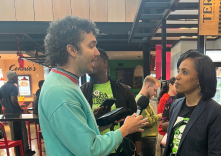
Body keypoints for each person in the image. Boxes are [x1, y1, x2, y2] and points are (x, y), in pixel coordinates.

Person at [39, 16, 149, 156]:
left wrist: (101, 122)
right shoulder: (62, 93)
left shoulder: (64, 83)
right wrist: (125, 130)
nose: (96, 52)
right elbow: (90, 149)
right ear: (72, 50)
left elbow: (76, 138)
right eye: (91, 46)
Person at [163, 50, 221, 156]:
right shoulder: (175, 105)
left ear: (200, 79)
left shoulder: (215, 112)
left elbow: (215, 152)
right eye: (178, 71)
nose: (177, 77)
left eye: (185, 72)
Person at [80, 48, 142, 156]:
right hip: (94, 150)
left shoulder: (124, 90)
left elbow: (135, 123)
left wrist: (138, 152)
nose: (90, 63)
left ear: (105, 63)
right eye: (87, 60)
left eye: (93, 59)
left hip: (121, 150)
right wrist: (95, 118)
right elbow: (79, 126)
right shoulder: (81, 92)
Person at [0, 71, 35, 155]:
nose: (17, 79)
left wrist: (5, 106)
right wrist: (20, 109)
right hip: (16, 113)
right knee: (23, 129)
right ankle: (25, 150)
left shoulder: (2, 87)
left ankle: (17, 149)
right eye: (16, 77)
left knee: (12, 131)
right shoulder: (13, 87)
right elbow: (13, 99)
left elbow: (0, 99)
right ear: (12, 78)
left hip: (8, 113)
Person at [136, 76, 161, 156]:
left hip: (148, 138)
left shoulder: (144, 99)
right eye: (154, 90)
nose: (154, 93)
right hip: (147, 138)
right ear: (148, 86)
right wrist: (159, 116)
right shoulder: (141, 100)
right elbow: (146, 121)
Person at [156, 77, 176, 156]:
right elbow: (163, 118)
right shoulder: (165, 99)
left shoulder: (175, 99)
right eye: (176, 85)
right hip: (164, 133)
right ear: (170, 85)